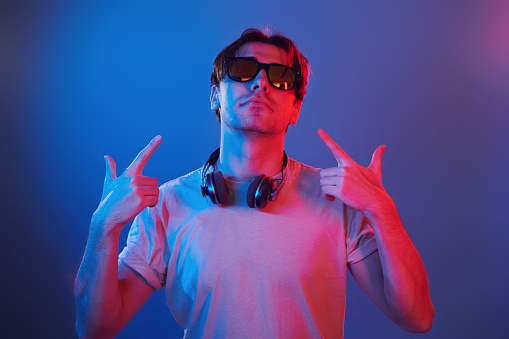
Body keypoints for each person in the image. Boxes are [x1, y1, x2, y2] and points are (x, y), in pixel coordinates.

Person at [75, 28, 434, 338]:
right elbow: (95, 330)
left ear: (295, 108)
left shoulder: (335, 200)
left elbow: (417, 318)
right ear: (216, 95)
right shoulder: (167, 205)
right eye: (243, 70)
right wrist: (102, 226)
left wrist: (382, 211)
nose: (261, 82)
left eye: (281, 77)